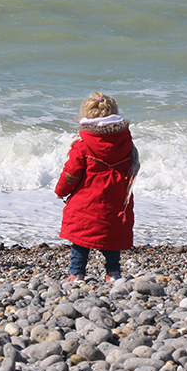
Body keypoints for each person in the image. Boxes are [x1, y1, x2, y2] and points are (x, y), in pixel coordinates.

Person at [54, 92, 139, 283]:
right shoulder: (126, 143)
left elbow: (71, 173)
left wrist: (61, 191)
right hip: (114, 203)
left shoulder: (83, 144)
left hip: (86, 204)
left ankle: (76, 274)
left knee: (80, 241)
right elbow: (132, 169)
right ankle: (113, 273)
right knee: (111, 239)